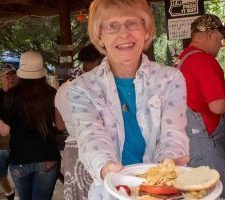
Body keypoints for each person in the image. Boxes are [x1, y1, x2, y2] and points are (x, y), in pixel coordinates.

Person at [64, 0, 190, 198]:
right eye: (112, 26)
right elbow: (91, 137)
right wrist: (107, 167)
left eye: (132, 23)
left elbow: (172, 132)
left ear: (146, 31)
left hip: (163, 192)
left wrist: (164, 171)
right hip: (110, 192)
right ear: (100, 36)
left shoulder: (170, 79)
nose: (124, 34)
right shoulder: (82, 89)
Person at [175, 14, 225, 200]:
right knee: (212, 194)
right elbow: (218, 106)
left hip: (191, 142)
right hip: (204, 145)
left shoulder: (184, 58)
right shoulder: (203, 60)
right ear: (210, 34)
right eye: (220, 38)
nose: (222, 44)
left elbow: (200, 97)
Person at [0, 51, 61, 200]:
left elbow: (4, 131)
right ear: (41, 72)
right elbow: (60, 125)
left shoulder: (11, 95)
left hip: (19, 158)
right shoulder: (51, 93)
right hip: (47, 156)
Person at [55, 43, 103, 200]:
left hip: (73, 151)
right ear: (99, 60)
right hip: (98, 151)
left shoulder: (63, 88)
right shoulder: (97, 85)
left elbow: (60, 125)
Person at [0, 63, 18, 200]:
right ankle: (9, 193)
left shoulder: (21, 94)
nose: (11, 78)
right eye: (8, 75)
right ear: (1, 78)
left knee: (20, 170)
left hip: (18, 138)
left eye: (13, 74)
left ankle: (21, 194)